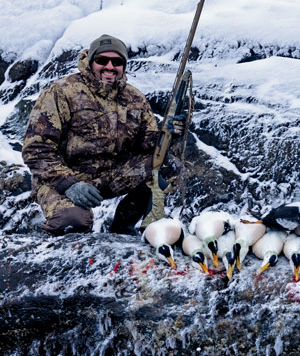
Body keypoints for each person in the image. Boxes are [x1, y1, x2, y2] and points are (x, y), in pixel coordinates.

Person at [22, 34, 186, 236]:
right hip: (62, 179)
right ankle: (47, 249)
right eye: (102, 61)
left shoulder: (135, 98)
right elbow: (36, 149)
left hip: (108, 177)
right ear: (91, 62)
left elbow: (148, 147)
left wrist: (168, 132)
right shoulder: (61, 92)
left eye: (116, 62)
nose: (110, 67)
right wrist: (70, 184)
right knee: (74, 222)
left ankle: (122, 228)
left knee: (166, 166)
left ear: (123, 66)